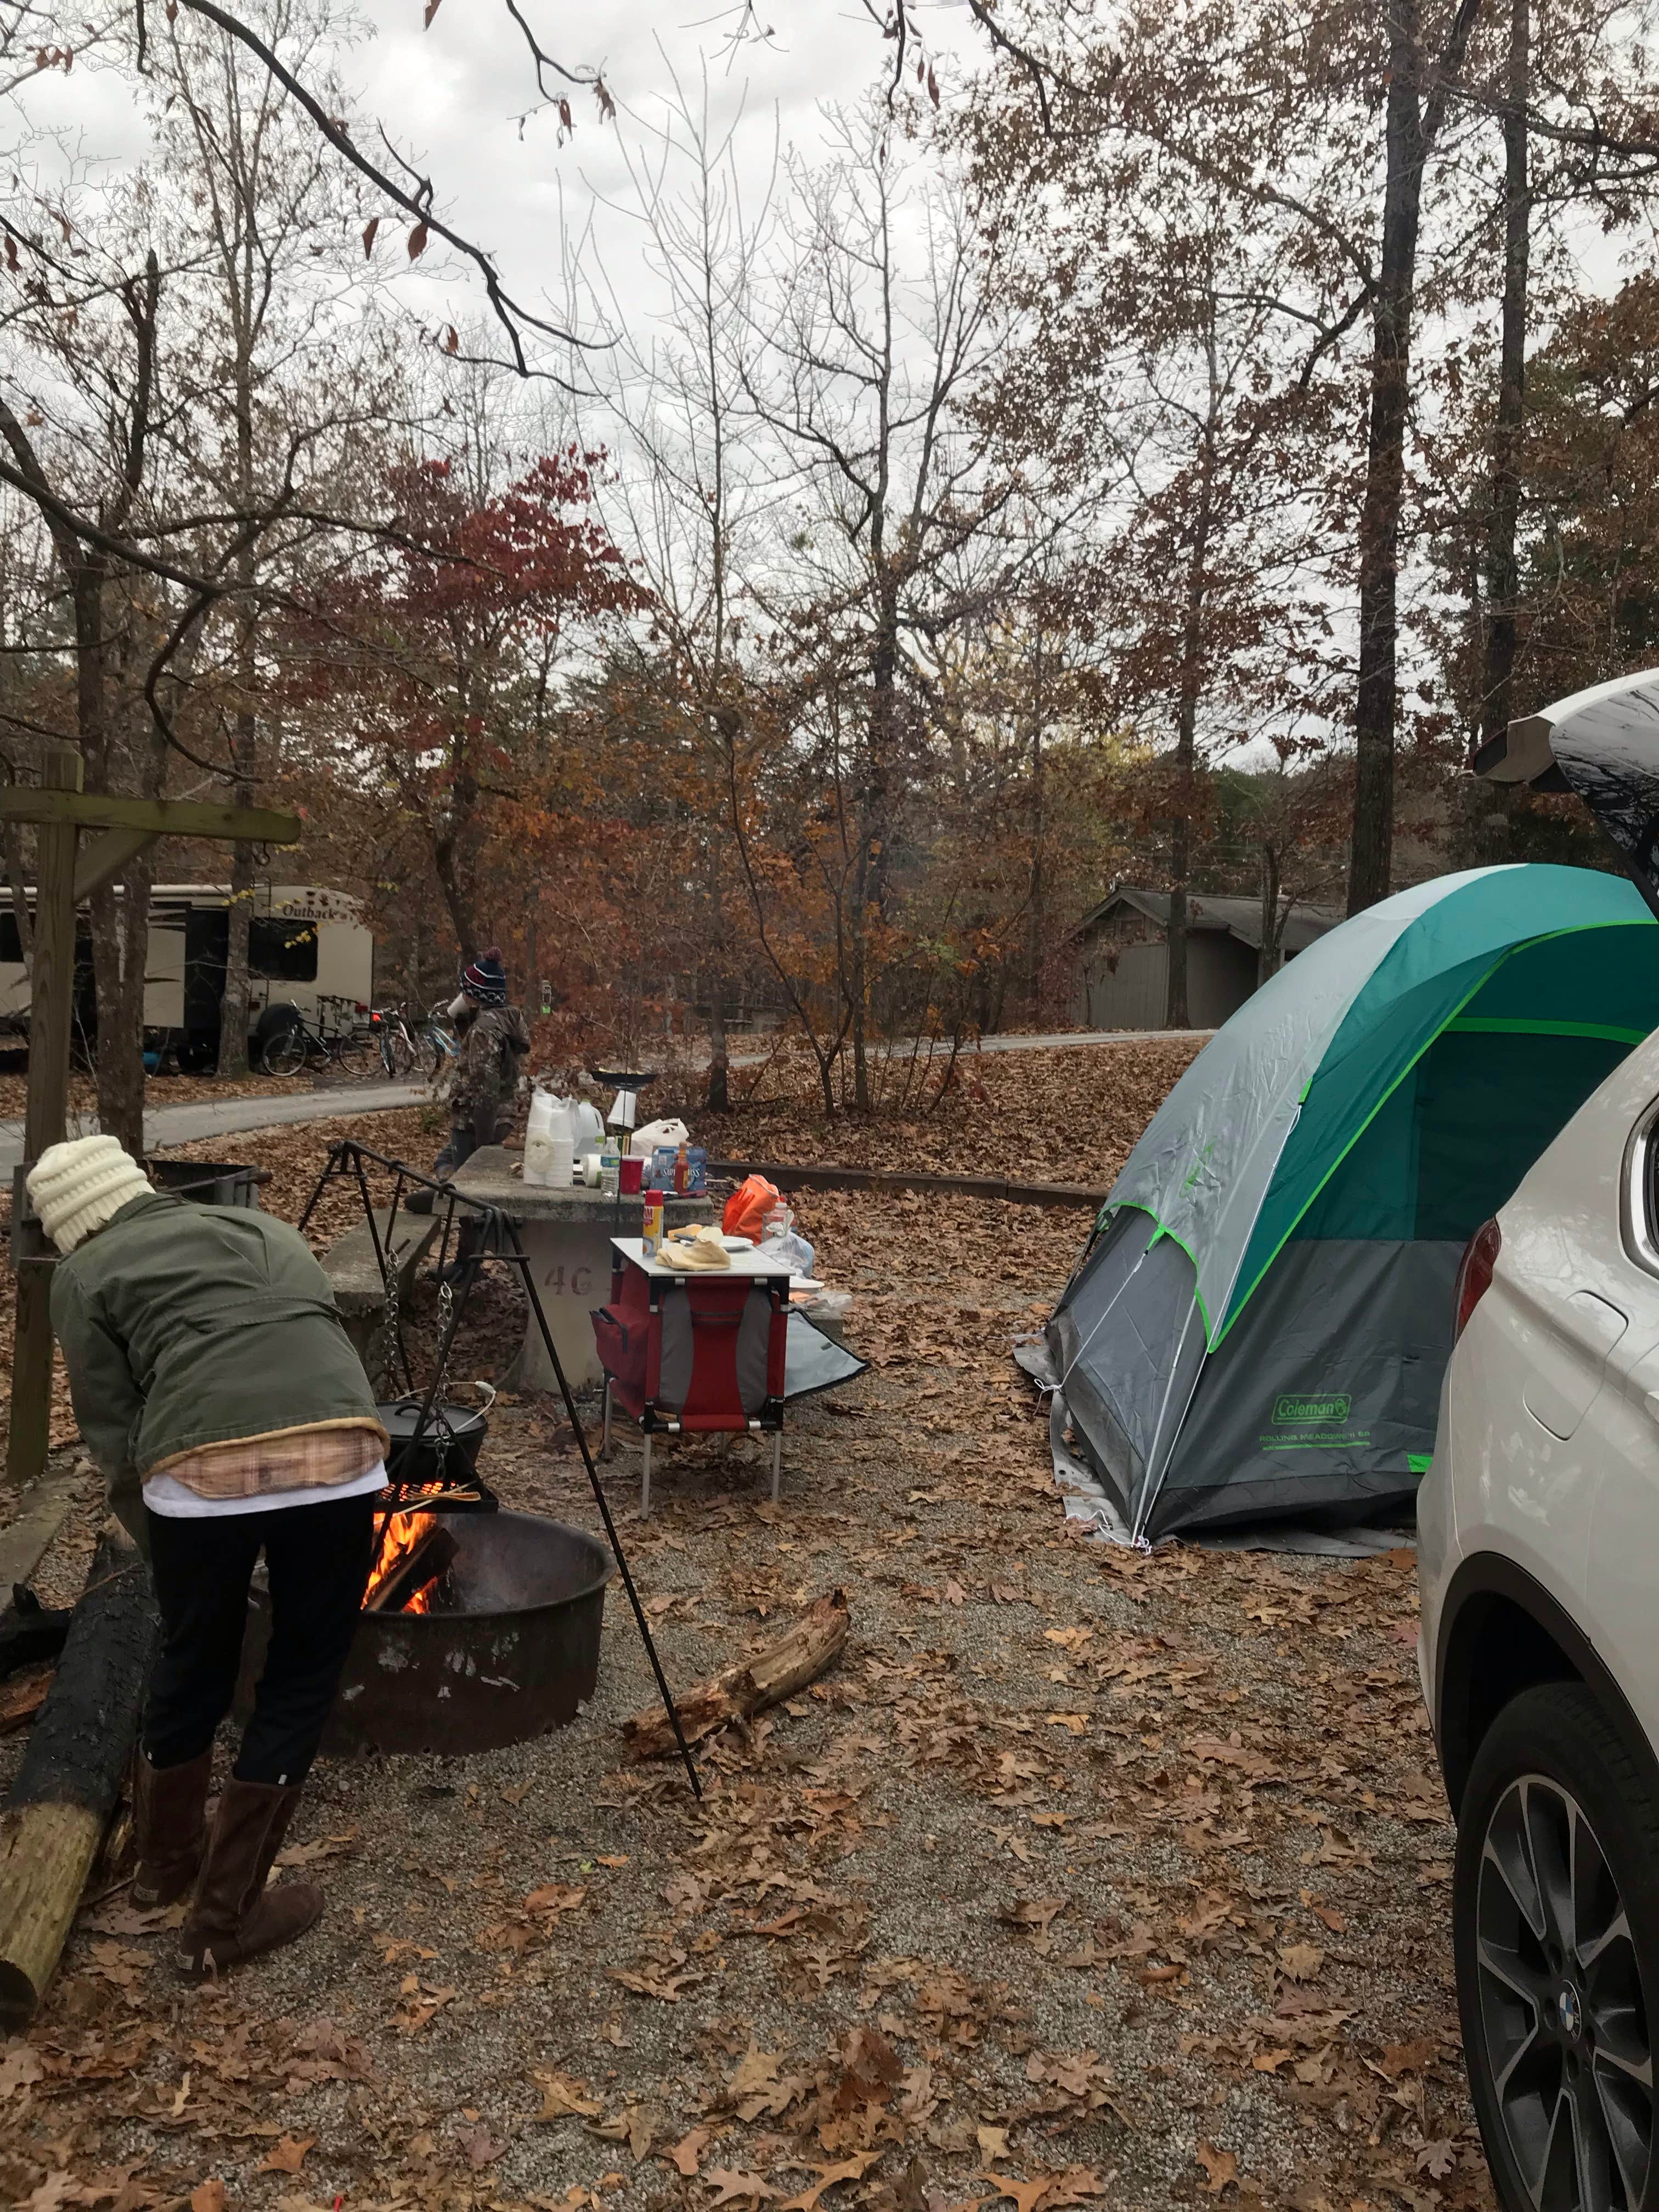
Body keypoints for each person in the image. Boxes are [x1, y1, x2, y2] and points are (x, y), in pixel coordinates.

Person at [30, 1135, 390, 1979]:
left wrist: (166, 1546)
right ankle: (220, 1912)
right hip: (340, 1452)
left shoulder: (83, 1276)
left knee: (194, 1655)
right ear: (139, 1187)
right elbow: (312, 1339)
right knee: (301, 1673)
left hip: (195, 1476)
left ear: (69, 1228)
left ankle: (173, 1878)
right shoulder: (258, 1229)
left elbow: (116, 1431)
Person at [408, 946, 531, 1266]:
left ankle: (467, 1263)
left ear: (477, 994)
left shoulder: (484, 1030)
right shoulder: (506, 1020)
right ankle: (441, 1191)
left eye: (467, 991)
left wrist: (482, 1141)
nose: (461, 995)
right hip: (497, 1117)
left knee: (469, 1196)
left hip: (478, 1122)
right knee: (447, 1161)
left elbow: (485, 1088)